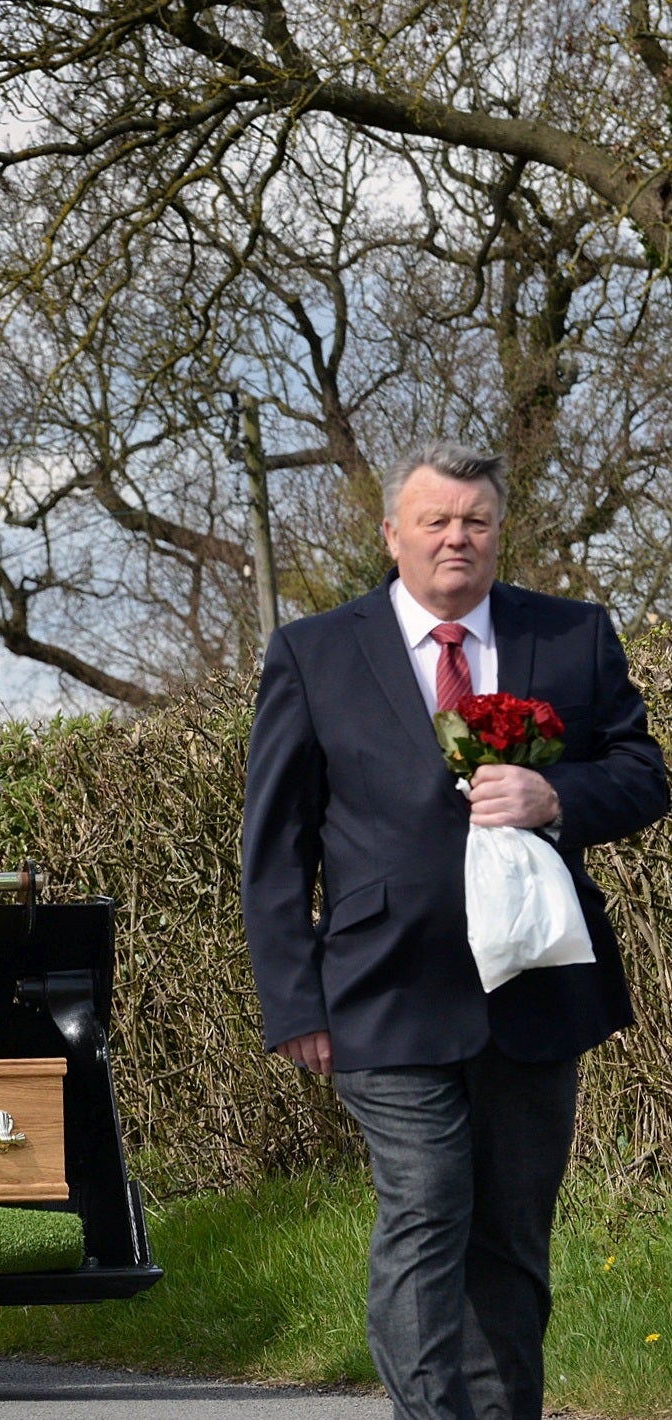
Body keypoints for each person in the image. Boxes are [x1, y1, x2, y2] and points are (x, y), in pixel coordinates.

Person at [240, 441, 666, 1420]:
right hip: (380, 990)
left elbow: (644, 774)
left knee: (510, 1236)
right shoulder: (314, 652)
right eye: (434, 520)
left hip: (535, 987)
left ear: (498, 529)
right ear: (393, 533)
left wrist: (556, 790)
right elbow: (274, 849)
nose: (455, 538)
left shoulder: (572, 637)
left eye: (474, 519)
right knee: (429, 1201)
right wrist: (293, 1000)